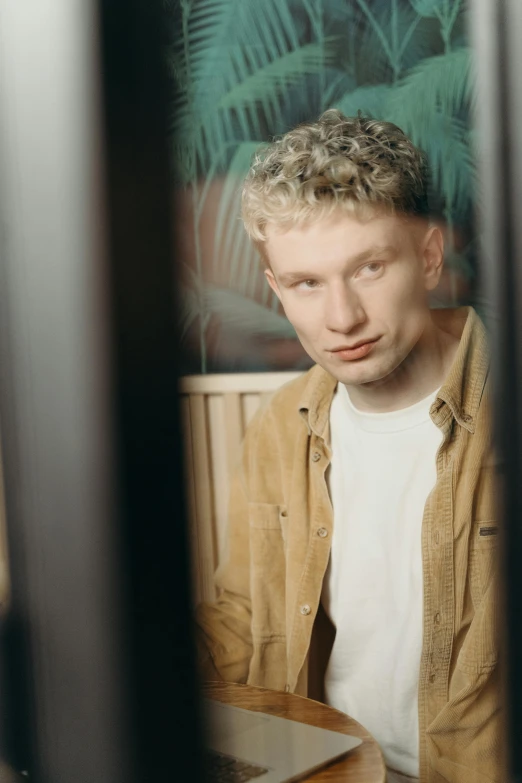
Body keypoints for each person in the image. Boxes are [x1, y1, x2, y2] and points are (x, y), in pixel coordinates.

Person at [196, 111, 500, 783]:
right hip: (327, 768)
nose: (341, 318)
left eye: (367, 268)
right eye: (306, 283)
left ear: (427, 256)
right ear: (277, 290)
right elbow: (244, 611)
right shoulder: (282, 423)